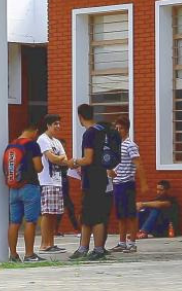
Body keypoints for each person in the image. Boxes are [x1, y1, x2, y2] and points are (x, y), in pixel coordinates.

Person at [67, 104, 108, 261]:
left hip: (93, 179)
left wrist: (75, 162)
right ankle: (83, 248)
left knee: (95, 215)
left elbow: (89, 159)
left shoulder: (89, 134)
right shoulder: (101, 131)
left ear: (80, 116)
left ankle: (97, 249)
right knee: (87, 214)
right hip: (100, 177)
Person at [109, 116, 148, 253]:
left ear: (127, 129)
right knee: (120, 215)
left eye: (121, 128)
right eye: (117, 128)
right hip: (117, 183)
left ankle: (132, 243)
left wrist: (143, 183)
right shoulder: (117, 145)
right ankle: (122, 242)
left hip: (127, 183)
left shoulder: (130, 145)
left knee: (130, 214)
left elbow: (139, 164)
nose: (118, 130)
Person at [7, 123, 45, 262]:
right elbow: (39, 167)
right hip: (29, 187)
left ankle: (13, 254)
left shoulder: (11, 145)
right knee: (30, 221)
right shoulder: (33, 145)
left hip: (13, 188)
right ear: (35, 131)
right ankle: (29, 254)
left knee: (14, 222)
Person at [37, 114, 67, 254]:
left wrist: (60, 158)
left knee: (54, 213)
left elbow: (64, 159)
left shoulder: (57, 141)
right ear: (48, 125)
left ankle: (51, 243)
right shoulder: (43, 139)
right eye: (55, 124)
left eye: (59, 124)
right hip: (46, 181)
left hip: (57, 181)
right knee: (47, 213)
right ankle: (44, 244)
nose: (58, 126)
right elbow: (52, 158)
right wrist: (59, 158)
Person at [55, 139, 80, 236]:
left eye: (64, 146)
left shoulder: (62, 157)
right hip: (59, 186)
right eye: (62, 146)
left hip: (65, 186)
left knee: (62, 209)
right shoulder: (56, 158)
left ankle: (55, 230)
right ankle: (77, 229)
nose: (64, 148)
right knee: (69, 208)